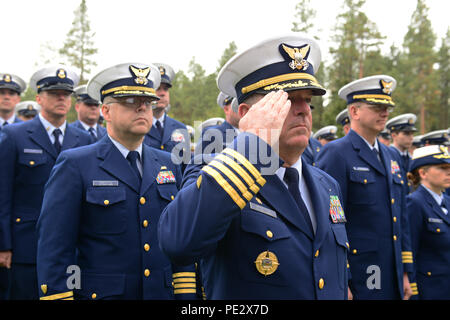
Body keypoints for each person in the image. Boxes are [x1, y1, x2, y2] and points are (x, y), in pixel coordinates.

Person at [158, 34, 349, 300]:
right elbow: (178, 242)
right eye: (287, 99)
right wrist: (251, 144)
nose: (304, 109)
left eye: (308, 100)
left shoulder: (327, 184)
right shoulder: (213, 167)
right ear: (246, 114)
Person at [36, 62, 198, 300]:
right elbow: (56, 247)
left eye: (147, 103)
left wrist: (186, 296)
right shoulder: (76, 164)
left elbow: (178, 241)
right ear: (106, 111)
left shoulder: (168, 162)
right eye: (130, 102)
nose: (142, 108)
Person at [316, 75, 413, 300]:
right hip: (361, 271)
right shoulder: (337, 153)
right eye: (377, 107)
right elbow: (330, 221)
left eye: (387, 107)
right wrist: (342, 278)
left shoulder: (391, 156)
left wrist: (406, 272)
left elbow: (401, 217)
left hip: (392, 269)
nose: (385, 113)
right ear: (355, 111)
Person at [0, 65, 92, 300]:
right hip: (26, 244)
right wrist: (4, 244)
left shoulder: (84, 139)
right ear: (39, 98)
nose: (61, 98)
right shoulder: (15, 136)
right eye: (54, 93)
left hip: (74, 245)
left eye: (66, 94)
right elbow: (3, 193)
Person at [406, 145, 450, 299]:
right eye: (442, 168)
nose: (448, 172)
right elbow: (410, 252)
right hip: (430, 290)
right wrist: (413, 293)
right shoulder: (415, 203)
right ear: (423, 173)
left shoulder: (447, 202)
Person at [143, 63, 188, 154]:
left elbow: (186, 165)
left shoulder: (180, 128)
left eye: (166, 89)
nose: (162, 93)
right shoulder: (137, 126)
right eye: (158, 88)